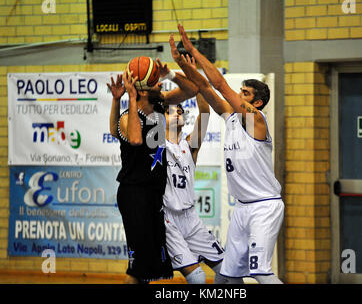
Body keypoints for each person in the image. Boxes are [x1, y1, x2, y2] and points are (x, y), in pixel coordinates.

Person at [176, 24, 285, 284]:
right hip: (242, 209)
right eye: (240, 92)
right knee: (226, 276)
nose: (238, 96)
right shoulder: (231, 117)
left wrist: (194, 51)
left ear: (257, 103)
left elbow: (219, 83)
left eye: (245, 94)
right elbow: (205, 88)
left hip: (264, 207)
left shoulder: (255, 119)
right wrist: (184, 64)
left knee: (261, 272)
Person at [107, 58, 200, 284]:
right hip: (134, 194)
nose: (161, 85)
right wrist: (127, 97)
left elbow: (192, 89)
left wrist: (170, 75)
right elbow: (136, 140)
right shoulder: (130, 117)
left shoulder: (160, 106)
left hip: (154, 194)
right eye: (157, 82)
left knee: (148, 267)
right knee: (138, 268)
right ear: (145, 92)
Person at [161, 47, 224, 284]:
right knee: (197, 277)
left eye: (179, 110)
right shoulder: (156, 145)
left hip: (191, 218)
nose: (177, 112)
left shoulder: (190, 145)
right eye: (170, 112)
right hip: (169, 219)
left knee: (228, 271)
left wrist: (194, 72)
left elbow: (205, 113)